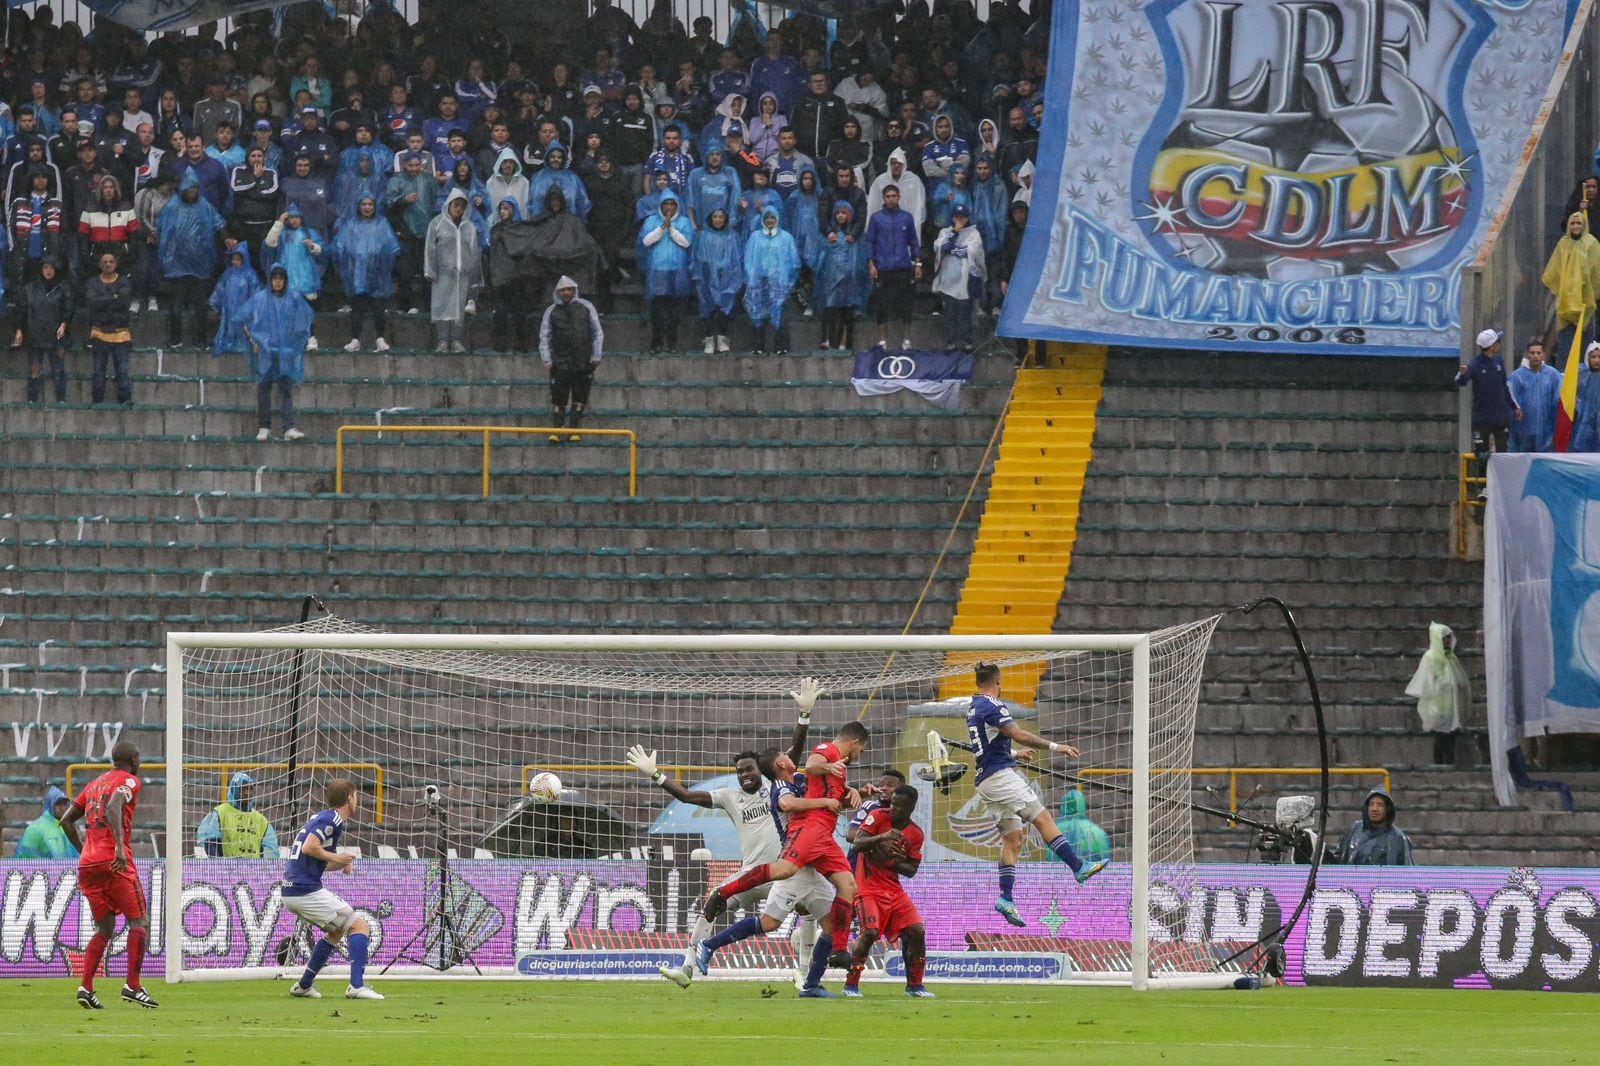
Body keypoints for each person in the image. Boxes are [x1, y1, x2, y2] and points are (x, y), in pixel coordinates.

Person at [669, 680, 830, 989]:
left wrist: (804, 715)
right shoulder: (729, 796)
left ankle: (805, 975)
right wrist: (656, 774)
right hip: (752, 872)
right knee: (715, 899)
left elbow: (792, 756)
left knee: (808, 910)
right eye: (740, 771)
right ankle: (687, 967)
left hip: (783, 872)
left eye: (749, 769)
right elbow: (688, 797)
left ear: (761, 770)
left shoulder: (776, 787)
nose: (745, 774)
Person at [698, 716, 872, 999]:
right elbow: (791, 800)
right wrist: (826, 799)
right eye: (785, 756)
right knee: (772, 914)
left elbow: (823, 785)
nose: (791, 758)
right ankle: (713, 931)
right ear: (781, 764)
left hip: (816, 854)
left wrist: (853, 791)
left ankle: (814, 982)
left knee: (840, 905)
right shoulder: (782, 787)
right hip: (800, 849)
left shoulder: (800, 780)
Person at [965, 660, 1107, 927]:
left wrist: (1015, 755)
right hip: (1001, 778)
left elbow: (989, 745)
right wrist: (1056, 746)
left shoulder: (973, 707)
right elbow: (1016, 733)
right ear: (999, 681)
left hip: (986, 781)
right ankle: (1078, 866)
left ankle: (1006, 898)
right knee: (1043, 818)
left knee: (1013, 840)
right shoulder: (992, 704)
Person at [58, 741, 158, 1008]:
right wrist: (118, 848)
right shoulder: (130, 781)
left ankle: (86, 988)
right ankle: (132, 986)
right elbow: (114, 806)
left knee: (105, 926)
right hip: (114, 862)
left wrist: (83, 851)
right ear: (135, 759)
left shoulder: (94, 784)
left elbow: (66, 820)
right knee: (140, 922)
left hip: (89, 865)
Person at [281, 778, 384, 1000]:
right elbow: (310, 847)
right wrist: (338, 857)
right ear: (349, 798)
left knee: (336, 932)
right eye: (356, 796)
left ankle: (304, 985)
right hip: (304, 890)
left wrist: (341, 863)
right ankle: (356, 986)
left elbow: (319, 861)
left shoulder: (322, 819)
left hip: (293, 890)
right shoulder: (333, 819)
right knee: (359, 926)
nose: (357, 801)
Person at [838, 785, 931, 998]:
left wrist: (893, 861)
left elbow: (911, 871)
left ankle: (915, 986)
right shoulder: (877, 816)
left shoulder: (915, 834)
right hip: (867, 888)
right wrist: (882, 838)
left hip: (893, 890)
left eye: (899, 805)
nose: (893, 808)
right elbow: (857, 843)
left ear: (911, 807)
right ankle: (851, 985)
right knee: (869, 933)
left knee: (918, 931)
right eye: (893, 803)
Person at [243, 265, 314, 442]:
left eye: (280, 278)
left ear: (285, 280)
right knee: (264, 388)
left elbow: (304, 321)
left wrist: (297, 343)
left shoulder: (294, 298)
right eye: (274, 278)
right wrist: (254, 342)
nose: (277, 282)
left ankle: (288, 427)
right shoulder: (260, 298)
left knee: (285, 389)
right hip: (267, 353)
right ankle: (264, 426)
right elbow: (246, 320)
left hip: (285, 353)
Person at [156, 170, 227, 348]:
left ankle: (201, 340)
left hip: (199, 263)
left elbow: (219, 224)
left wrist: (227, 238)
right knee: (177, 304)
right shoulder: (172, 206)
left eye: (195, 189)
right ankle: (175, 339)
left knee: (200, 305)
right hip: (177, 264)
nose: (192, 193)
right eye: (189, 189)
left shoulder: (205, 206)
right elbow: (161, 227)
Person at [538, 276, 605, 442]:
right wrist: (547, 360)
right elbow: (544, 337)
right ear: (558, 292)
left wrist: (596, 355)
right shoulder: (551, 311)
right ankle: (557, 429)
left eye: (569, 289)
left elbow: (597, 332)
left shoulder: (586, 307)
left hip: (583, 360)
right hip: (560, 361)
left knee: (580, 395)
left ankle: (574, 429)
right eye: (563, 290)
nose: (566, 292)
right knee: (558, 397)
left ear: (575, 290)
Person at [332, 195, 401, 352]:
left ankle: (380, 338)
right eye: (364, 204)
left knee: (378, 306)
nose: (367, 207)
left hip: (377, 273)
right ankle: (355, 339)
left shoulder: (382, 224)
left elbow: (391, 246)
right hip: (357, 273)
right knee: (357, 307)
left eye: (370, 204)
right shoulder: (351, 224)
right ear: (359, 206)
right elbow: (340, 244)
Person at [1455, 329, 1520, 493]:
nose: (1500, 343)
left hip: (1500, 416)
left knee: (1502, 452)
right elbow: (1461, 382)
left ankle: (1502, 486)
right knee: (1482, 455)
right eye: (1497, 341)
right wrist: (1461, 375)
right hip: (1482, 418)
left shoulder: (1499, 360)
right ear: (1491, 346)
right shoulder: (1475, 364)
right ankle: (1483, 487)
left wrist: (1514, 406)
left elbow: (1505, 386)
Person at [424, 187, 483, 352]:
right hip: (442, 274)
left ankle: (456, 340)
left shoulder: (469, 227)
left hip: (462, 276)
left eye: (462, 206)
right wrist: (430, 270)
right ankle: (443, 340)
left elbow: (474, 252)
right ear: (449, 205)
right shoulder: (437, 223)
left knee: (458, 309)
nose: (458, 209)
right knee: (442, 307)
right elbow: (430, 248)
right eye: (455, 205)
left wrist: (474, 277)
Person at [864, 184, 921, 350]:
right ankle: (882, 340)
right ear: (883, 198)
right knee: (881, 305)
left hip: (903, 267)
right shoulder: (876, 218)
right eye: (888, 196)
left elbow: (914, 241)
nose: (891, 199)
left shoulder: (907, 217)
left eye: (893, 196)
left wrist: (917, 263)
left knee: (906, 304)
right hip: (883, 267)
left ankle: (906, 340)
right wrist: (871, 264)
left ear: (899, 197)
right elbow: (870, 242)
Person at [639, 188, 694, 353]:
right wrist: (662, 227)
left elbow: (686, 243)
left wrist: (671, 229)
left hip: (677, 270)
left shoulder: (684, 222)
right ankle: (656, 341)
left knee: (673, 309)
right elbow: (646, 241)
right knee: (657, 309)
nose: (669, 207)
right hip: (658, 270)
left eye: (672, 203)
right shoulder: (651, 221)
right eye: (666, 204)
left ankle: (671, 342)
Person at [744, 205, 800, 355]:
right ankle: (758, 346)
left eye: (773, 217)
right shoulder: (755, 237)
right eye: (767, 217)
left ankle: (781, 346)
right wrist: (751, 279)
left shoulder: (786, 238)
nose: (770, 220)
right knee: (757, 314)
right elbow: (748, 259)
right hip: (759, 282)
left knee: (780, 314)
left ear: (777, 219)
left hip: (779, 282)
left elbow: (794, 261)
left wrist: (789, 281)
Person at [815, 202, 871, 350]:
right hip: (832, 280)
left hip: (850, 280)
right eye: (838, 212)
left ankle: (845, 342)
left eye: (844, 212)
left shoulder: (856, 235)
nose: (840, 215)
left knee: (848, 312)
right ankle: (828, 340)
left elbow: (861, 257)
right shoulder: (829, 234)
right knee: (831, 310)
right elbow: (821, 256)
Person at [14, 259, 72, 403]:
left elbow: (69, 309)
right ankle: (32, 400)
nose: (48, 271)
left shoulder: (63, 288)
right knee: (34, 369)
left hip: (56, 335)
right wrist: (19, 330)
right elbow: (21, 311)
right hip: (35, 334)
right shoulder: (29, 288)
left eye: (51, 267)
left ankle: (61, 400)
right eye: (45, 267)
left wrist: (64, 324)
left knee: (58, 370)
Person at [385, 151, 435, 314]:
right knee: (405, 271)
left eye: (417, 165)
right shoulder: (396, 181)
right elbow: (389, 205)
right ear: (405, 165)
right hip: (404, 232)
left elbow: (436, 202)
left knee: (425, 272)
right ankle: (405, 305)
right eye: (411, 165)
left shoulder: (428, 180)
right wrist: (403, 201)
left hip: (425, 231)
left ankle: (428, 307)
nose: (414, 168)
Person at [85, 251, 135, 404]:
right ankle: (97, 401)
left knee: (122, 372)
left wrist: (102, 300)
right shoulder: (92, 282)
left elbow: (124, 302)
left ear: (116, 264)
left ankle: (125, 401)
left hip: (121, 334)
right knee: (98, 373)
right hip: (99, 334)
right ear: (100, 265)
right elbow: (92, 303)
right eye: (105, 262)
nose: (108, 264)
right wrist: (113, 297)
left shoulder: (124, 281)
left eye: (111, 261)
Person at [933, 203, 985, 352]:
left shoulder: (973, 233)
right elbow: (942, 247)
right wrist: (955, 233)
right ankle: (951, 341)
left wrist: (958, 250)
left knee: (965, 314)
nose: (960, 220)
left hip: (966, 280)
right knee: (950, 313)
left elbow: (973, 251)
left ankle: (966, 341)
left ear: (968, 218)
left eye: (963, 217)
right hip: (948, 279)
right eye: (957, 217)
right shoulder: (945, 232)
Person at [691, 207, 742, 354]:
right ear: (710, 219)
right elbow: (697, 257)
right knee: (707, 307)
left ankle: (722, 337)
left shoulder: (733, 236)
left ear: (725, 219)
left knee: (724, 307)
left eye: (721, 217)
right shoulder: (703, 236)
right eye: (715, 217)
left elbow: (737, 257)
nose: (718, 220)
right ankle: (708, 338)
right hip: (707, 277)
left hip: (727, 277)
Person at [195, 770, 280, 857]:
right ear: (234, 789)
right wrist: (219, 866)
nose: (247, 793)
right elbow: (210, 842)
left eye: (250, 789)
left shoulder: (261, 820)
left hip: (254, 869)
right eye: (243, 789)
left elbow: (271, 850)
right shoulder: (220, 813)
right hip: (228, 869)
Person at [1334, 788, 1414, 865]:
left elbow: (1407, 872)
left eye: (1380, 805)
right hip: (1353, 878)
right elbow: (1337, 860)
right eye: (1371, 804)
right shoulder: (1355, 829)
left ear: (1388, 809)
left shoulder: (1398, 838)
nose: (1374, 809)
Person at [1509, 342, 1564, 452]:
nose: (1535, 356)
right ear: (1527, 355)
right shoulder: (1517, 376)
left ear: (1543, 355)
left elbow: (1560, 397)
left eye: (1538, 353)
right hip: (1523, 427)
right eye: (1532, 353)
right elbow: (1510, 398)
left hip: (1546, 427)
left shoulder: (1553, 374)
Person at [209, 247, 261, 358]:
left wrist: (253, 307)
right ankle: (230, 342)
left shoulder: (250, 275)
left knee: (243, 327)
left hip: (243, 307)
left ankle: (243, 343)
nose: (236, 262)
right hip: (229, 307)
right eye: (234, 259)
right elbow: (220, 289)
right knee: (230, 325)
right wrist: (214, 302)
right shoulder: (227, 274)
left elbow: (255, 293)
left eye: (238, 259)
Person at [14, 784, 78, 858]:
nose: (62, 808)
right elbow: (26, 858)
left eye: (64, 804)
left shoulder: (66, 827)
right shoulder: (35, 829)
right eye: (58, 804)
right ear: (50, 805)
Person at [1054, 789, 1112, 865]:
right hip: (1095, 874)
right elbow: (1105, 860)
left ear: (1063, 806)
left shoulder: (1054, 830)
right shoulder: (1099, 832)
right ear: (1083, 805)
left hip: (1058, 874)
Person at [1575, 342, 1600, 451]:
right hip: (1583, 417)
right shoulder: (1581, 374)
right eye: (1593, 357)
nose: (1596, 360)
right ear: (1587, 358)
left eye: (1599, 357)